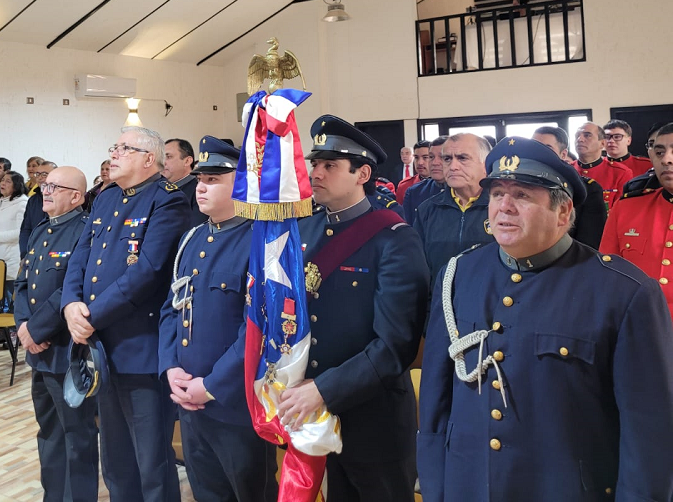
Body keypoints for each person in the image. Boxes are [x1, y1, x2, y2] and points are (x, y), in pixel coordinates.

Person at [418, 136, 673, 501]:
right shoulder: (458, 275)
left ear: (563, 213)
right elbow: (435, 409)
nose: (504, 207)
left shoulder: (623, 292)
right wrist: (437, 489)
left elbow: (653, 440)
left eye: (523, 196)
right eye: (497, 194)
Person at [285, 115, 428, 500]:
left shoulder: (394, 238)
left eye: (330, 165)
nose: (316, 172)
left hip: (372, 416)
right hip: (314, 410)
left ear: (362, 173)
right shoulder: (306, 229)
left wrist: (324, 389)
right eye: (315, 163)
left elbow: (394, 345)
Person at [62, 126, 189, 502]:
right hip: (101, 349)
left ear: (149, 159)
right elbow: (80, 257)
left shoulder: (167, 200)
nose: (113, 154)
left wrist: (90, 317)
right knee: (115, 459)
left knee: (152, 461)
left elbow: (147, 272)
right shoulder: (104, 199)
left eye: (123, 148)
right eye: (113, 147)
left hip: (139, 348)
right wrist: (70, 304)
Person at [159, 137, 279, 502]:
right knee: (206, 493)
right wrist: (171, 367)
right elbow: (171, 309)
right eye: (199, 180)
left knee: (250, 492)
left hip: (236, 403)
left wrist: (210, 385)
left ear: (240, 184)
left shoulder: (262, 241)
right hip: (190, 401)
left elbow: (259, 327)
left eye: (213, 180)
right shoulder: (193, 238)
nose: (201, 188)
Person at [600, 122, 673, 500]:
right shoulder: (625, 211)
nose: (666, 159)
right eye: (658, 150)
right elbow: (603, 288)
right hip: (632, 383)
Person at [14, 165, 99, 502]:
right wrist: (23, 327)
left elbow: (70, 289)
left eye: (54, 186)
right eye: (44, 185)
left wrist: (36, 330)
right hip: (38, 351)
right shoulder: (40, 231)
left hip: (66, 350)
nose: (45, 191)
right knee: (48, 432)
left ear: (76, 196)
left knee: (77, 435)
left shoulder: (84, 231)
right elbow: (22, 284)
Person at [413, 133, 492, 281]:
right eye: (447, 159)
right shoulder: (427, 210)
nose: (453, 167)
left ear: (485, 164)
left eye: (463, 158)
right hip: (440, 301)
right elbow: (418, 270)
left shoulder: (502, 208)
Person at [532, 126, 608, 249]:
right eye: (534, 147)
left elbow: (588, 245)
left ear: (563, 154)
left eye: (547, 148)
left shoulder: (587, 190)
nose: (538, 153)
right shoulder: (516, 187)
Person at [0, 170, 28, 345]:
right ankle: (0, 330)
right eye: (3, 180)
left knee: (9, 297)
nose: (3, 183)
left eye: (8, 181)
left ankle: (10, 331)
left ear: (16, 185)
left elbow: (20, 231)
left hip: (10, 256)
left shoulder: (22, 202)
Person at [574, 122, 632, 210]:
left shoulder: (620, 172)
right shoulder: (566, 170)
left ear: (602, 143)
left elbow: (621, 211)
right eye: (577, 135)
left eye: (587, 135)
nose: (580, 139)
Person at [403, 135, 448, 225]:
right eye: (431, 157)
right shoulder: (414, 192)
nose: (435, 162)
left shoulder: (467, 192)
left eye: (443, 157)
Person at [163, 138, 205, 226]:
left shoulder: (199, 190)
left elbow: (195, 231)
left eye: (168, 157)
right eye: (162, 157)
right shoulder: (159, 188)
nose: (163, 162)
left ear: (187, 161)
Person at [20, 159, 54, 256]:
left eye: (44, 174)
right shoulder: (33, 200)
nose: (39, 178)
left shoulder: (61, 199)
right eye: (37, 174)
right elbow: (26, 229)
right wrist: (24, 254)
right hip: (33, 253)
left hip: (52, 253)